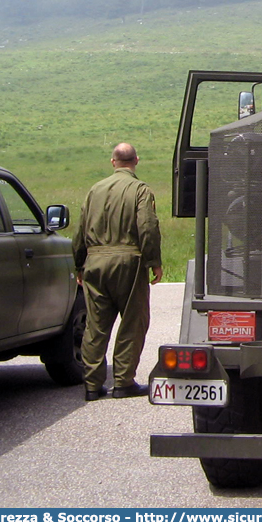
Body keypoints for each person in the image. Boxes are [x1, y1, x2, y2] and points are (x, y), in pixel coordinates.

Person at [72, 143, 163, 401]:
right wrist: (153, 261)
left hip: (94, 261)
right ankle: (123, 382)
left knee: (96, 325)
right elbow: (147, 226)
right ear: (136, 160)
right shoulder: (140, 190)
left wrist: (79, 264)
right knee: (133, 321)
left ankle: (92, 385)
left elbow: (79, 231)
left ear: (113, 162)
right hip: (128, 261)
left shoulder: (94, 190)